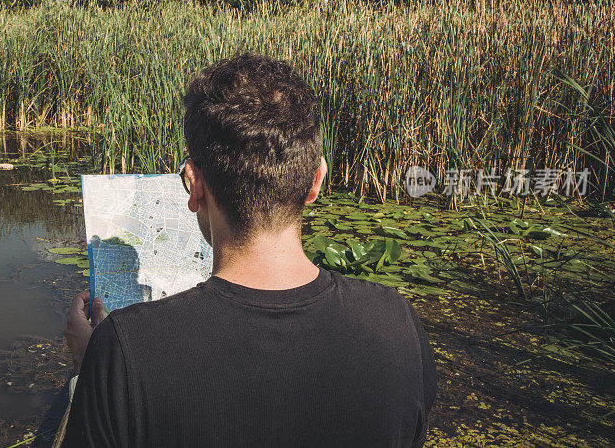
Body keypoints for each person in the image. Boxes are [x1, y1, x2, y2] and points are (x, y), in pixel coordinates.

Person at [62, 54, 437, 447]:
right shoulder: (398, 325)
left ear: (195, 185)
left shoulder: (123, 351)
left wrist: (91, 373)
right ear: (316, 181)